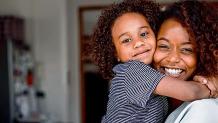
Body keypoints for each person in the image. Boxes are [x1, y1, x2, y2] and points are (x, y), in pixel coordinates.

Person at [90, 0, 216, 122]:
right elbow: (191, 92)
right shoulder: (133, 72)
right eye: (126, 40)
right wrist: (212, 85)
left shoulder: (203, 109)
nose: (138, 43)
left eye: (144, 34)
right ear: (115, 53)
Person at [152, 1, 218, 122]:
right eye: (163, 46)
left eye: (187, 49)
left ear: (203, 55)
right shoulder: (138, 78)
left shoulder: (205, 109)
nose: (173, 58)